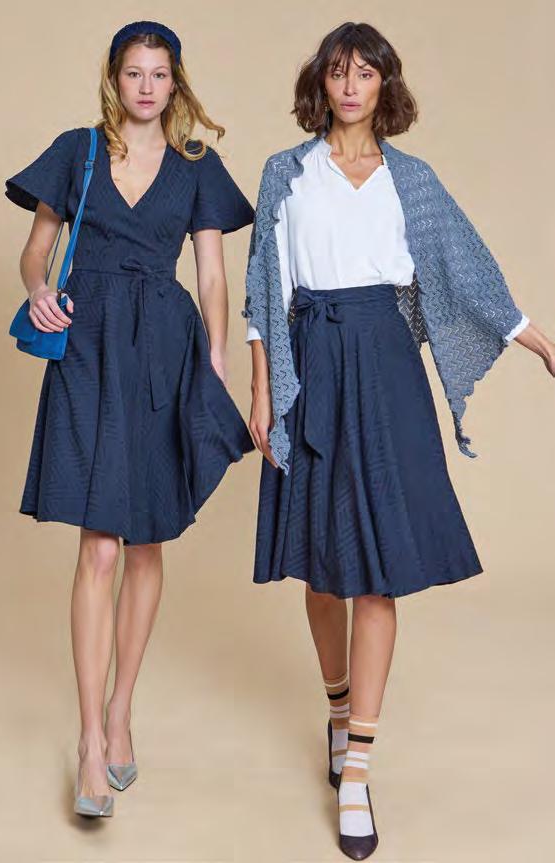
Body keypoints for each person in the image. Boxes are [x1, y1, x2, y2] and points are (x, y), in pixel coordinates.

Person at [242, 21, 555, 861]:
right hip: (310, 360)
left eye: (366, 73)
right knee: (321, 567)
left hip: (385, 365)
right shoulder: (285, 171)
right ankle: (337, 707)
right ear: (321, 82)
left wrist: (539, 341)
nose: (351, 86)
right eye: (338, 72)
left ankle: (356, 771)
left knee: (378, 571)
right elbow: (263, 289)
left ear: (385, 85)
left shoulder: (409, 179)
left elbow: (469, 271)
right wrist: (262, 390)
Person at [5, 20, 255, 818]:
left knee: (146, 540)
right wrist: (39, 288)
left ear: (175, 83)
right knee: (100, 545)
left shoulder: (197, 164)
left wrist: (214, 356)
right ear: (114, 79)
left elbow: (211, 275)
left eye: (159, 73)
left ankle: (121, 712)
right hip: (88, 347)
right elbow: (36, 250)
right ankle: (89, 738)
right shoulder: (77, 151)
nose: (146, 86)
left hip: (163, 351)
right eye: (133, 72)